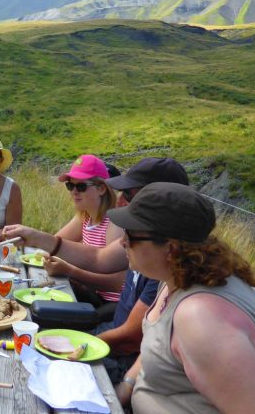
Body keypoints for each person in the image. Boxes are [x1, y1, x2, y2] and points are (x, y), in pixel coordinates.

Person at [110, 183, 255, 413]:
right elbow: (158, 345)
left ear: (170, 248)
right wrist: (128, 384)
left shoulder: (201, 319)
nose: (122, 241)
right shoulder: (180, 277)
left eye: (131, 234)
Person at [89, 158, 190, 384]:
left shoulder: (196, 303)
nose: (123, 242)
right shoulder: (161, 262)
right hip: (121, 348)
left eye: (130, 195)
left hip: (122, 356)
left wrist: (84, 347)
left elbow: (134, 339)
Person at [10, 154, 125, 310]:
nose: (74, 192)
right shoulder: (85, 216)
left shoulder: (113, 221)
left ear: (101, 188)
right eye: (70, 186)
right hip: (91, 293)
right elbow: (55, 243)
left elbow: (114, 281)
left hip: (110, 302)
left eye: (81, 186)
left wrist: (71, 271)